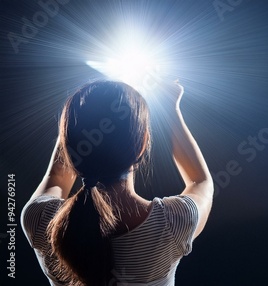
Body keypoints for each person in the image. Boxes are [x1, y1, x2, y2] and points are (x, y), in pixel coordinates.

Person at [21, 80, 214, 285]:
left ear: (69, 146)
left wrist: (80, 119)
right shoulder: (173, 223)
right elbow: (201, 181)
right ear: (142, 145)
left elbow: (56, 177)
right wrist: (171, 110)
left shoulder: (40, 220)